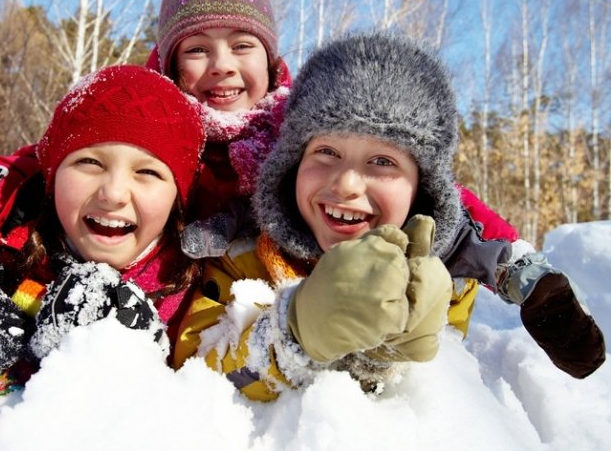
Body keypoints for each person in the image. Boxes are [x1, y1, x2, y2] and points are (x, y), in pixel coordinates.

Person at [0, 0, 564, 408]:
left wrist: (517, 268)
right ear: (170, 59)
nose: (220, 66)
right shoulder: (136, 122)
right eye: (196, 47)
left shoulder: (306, 129)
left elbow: (425, 188)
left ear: (269, 55)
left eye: (239, 43)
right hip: (184, 308)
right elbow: (13, 178)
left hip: (256, 295)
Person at [173, 33, 605, 402]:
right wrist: (293, 333)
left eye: (381, 161)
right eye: (326, 152)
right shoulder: (245, 256)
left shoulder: (444, 273)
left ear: (422, 187)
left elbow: (440, 400)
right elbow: (201, 365)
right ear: (291, 163)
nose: (345, 184)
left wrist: (385, 356)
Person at [0, 65, 206, 424]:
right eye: (90, 162)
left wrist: (142, 361)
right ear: (52, 176)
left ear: (178, 197)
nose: (113, 193)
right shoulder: (9, 261)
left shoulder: (195, 292)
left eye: (147, 172)